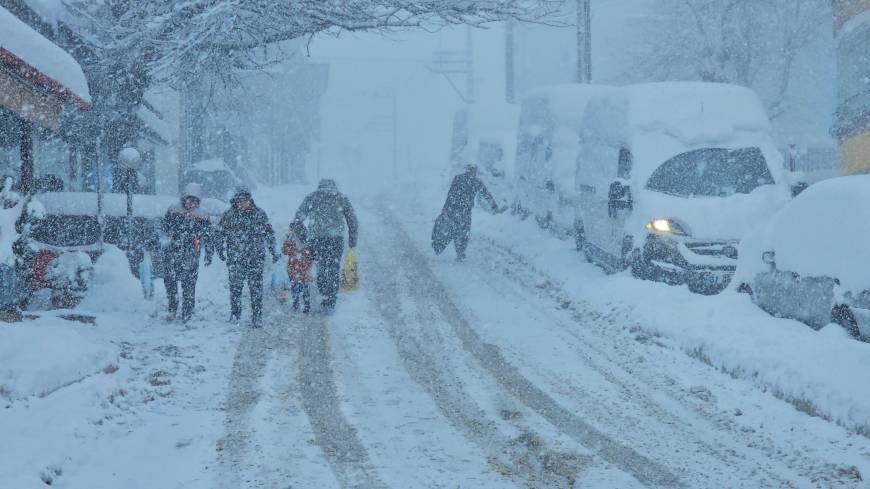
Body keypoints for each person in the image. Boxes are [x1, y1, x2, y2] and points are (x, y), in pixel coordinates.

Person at [295, 179, 358, 313]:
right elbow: (352, 219)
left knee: (321, 266)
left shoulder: (313, 197)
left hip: (317, 239)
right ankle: (331, 300)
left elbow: (299, 216)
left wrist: (303, 235)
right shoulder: (341, 197)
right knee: (333, 267)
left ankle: (324, 294)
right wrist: (352, 240)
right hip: (336, 239)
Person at [217, 187, 278, 327]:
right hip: (235, 259)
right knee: (235, 289)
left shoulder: (259, 214)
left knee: (256, 289)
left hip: (255, 258)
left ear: (250, 200)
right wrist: (220, 249)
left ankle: (257, 317)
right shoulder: (229, 215)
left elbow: (269, 233)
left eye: (244, 200)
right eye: (239, 200)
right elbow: (220, 233)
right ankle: (235, 314)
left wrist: (273, 250)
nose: (241, 203)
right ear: (235, 200)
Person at [161, 183, 213, 323]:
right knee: (170, 283)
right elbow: (163, 228)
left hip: (191, 254)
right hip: (172, 252)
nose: (191, 204)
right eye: (189, 200)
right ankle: (172, 308)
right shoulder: (173, 210)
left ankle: (187, 312)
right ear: (183, 198)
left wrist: (209, 253)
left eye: (195, 201)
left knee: (189, 284)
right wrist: (165, 241)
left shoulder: (202, 215)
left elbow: (208, 235)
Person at [440, 163, 500, 261]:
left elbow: (486, 194)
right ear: (467, 169)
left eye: (474, 169)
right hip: (456, 210)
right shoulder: (460, 179)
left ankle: (461, 252)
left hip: (466, 211)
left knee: (464, 232)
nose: (473, 171)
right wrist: (445, 207)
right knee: (458, 231)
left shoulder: (476, 182)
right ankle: (459, 252)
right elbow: (451, 194)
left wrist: (494, 206)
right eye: (471, 169)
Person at [282, 219, 313, 314]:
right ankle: (305, 304)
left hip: (295, 266)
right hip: (300, 266)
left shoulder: (293, 240)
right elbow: (285, 251)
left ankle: (298, 304)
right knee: (302, 285)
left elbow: (285, 251)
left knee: (297, 285)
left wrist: (288, 241)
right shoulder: (304, 240)